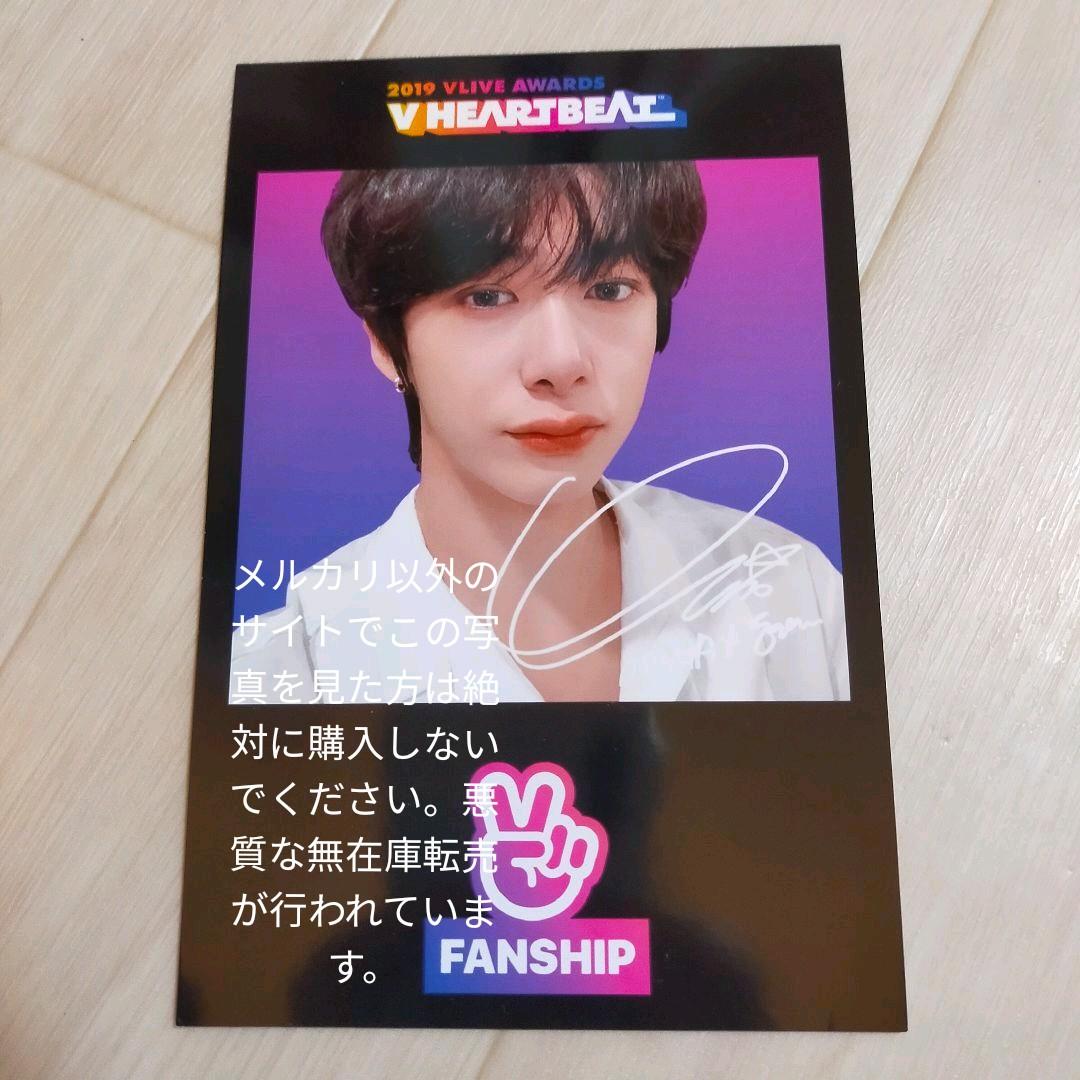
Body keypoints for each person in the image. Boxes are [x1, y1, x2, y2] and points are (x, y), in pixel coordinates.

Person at [229, 161, 849, 704]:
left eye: (609, 289)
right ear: (387, 344)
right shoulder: (289, 671)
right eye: (487, 297)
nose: (561, 363)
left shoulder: (789, 589)